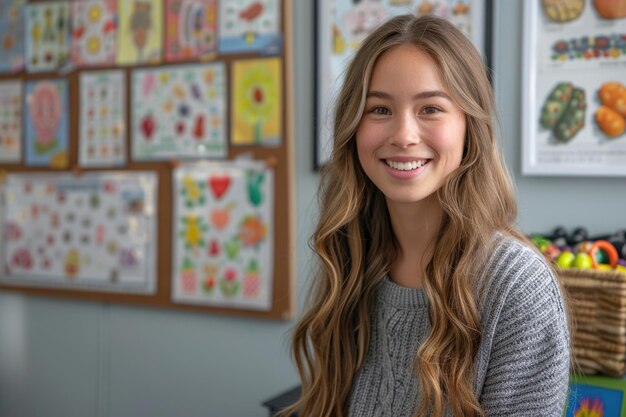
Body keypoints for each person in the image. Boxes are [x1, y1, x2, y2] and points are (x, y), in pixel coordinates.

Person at [284, 13, 571, 417]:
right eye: (379, 109)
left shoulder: (518, 287)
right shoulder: (352, 258)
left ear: (470, 126)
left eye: (431, 108)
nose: (403, 134)